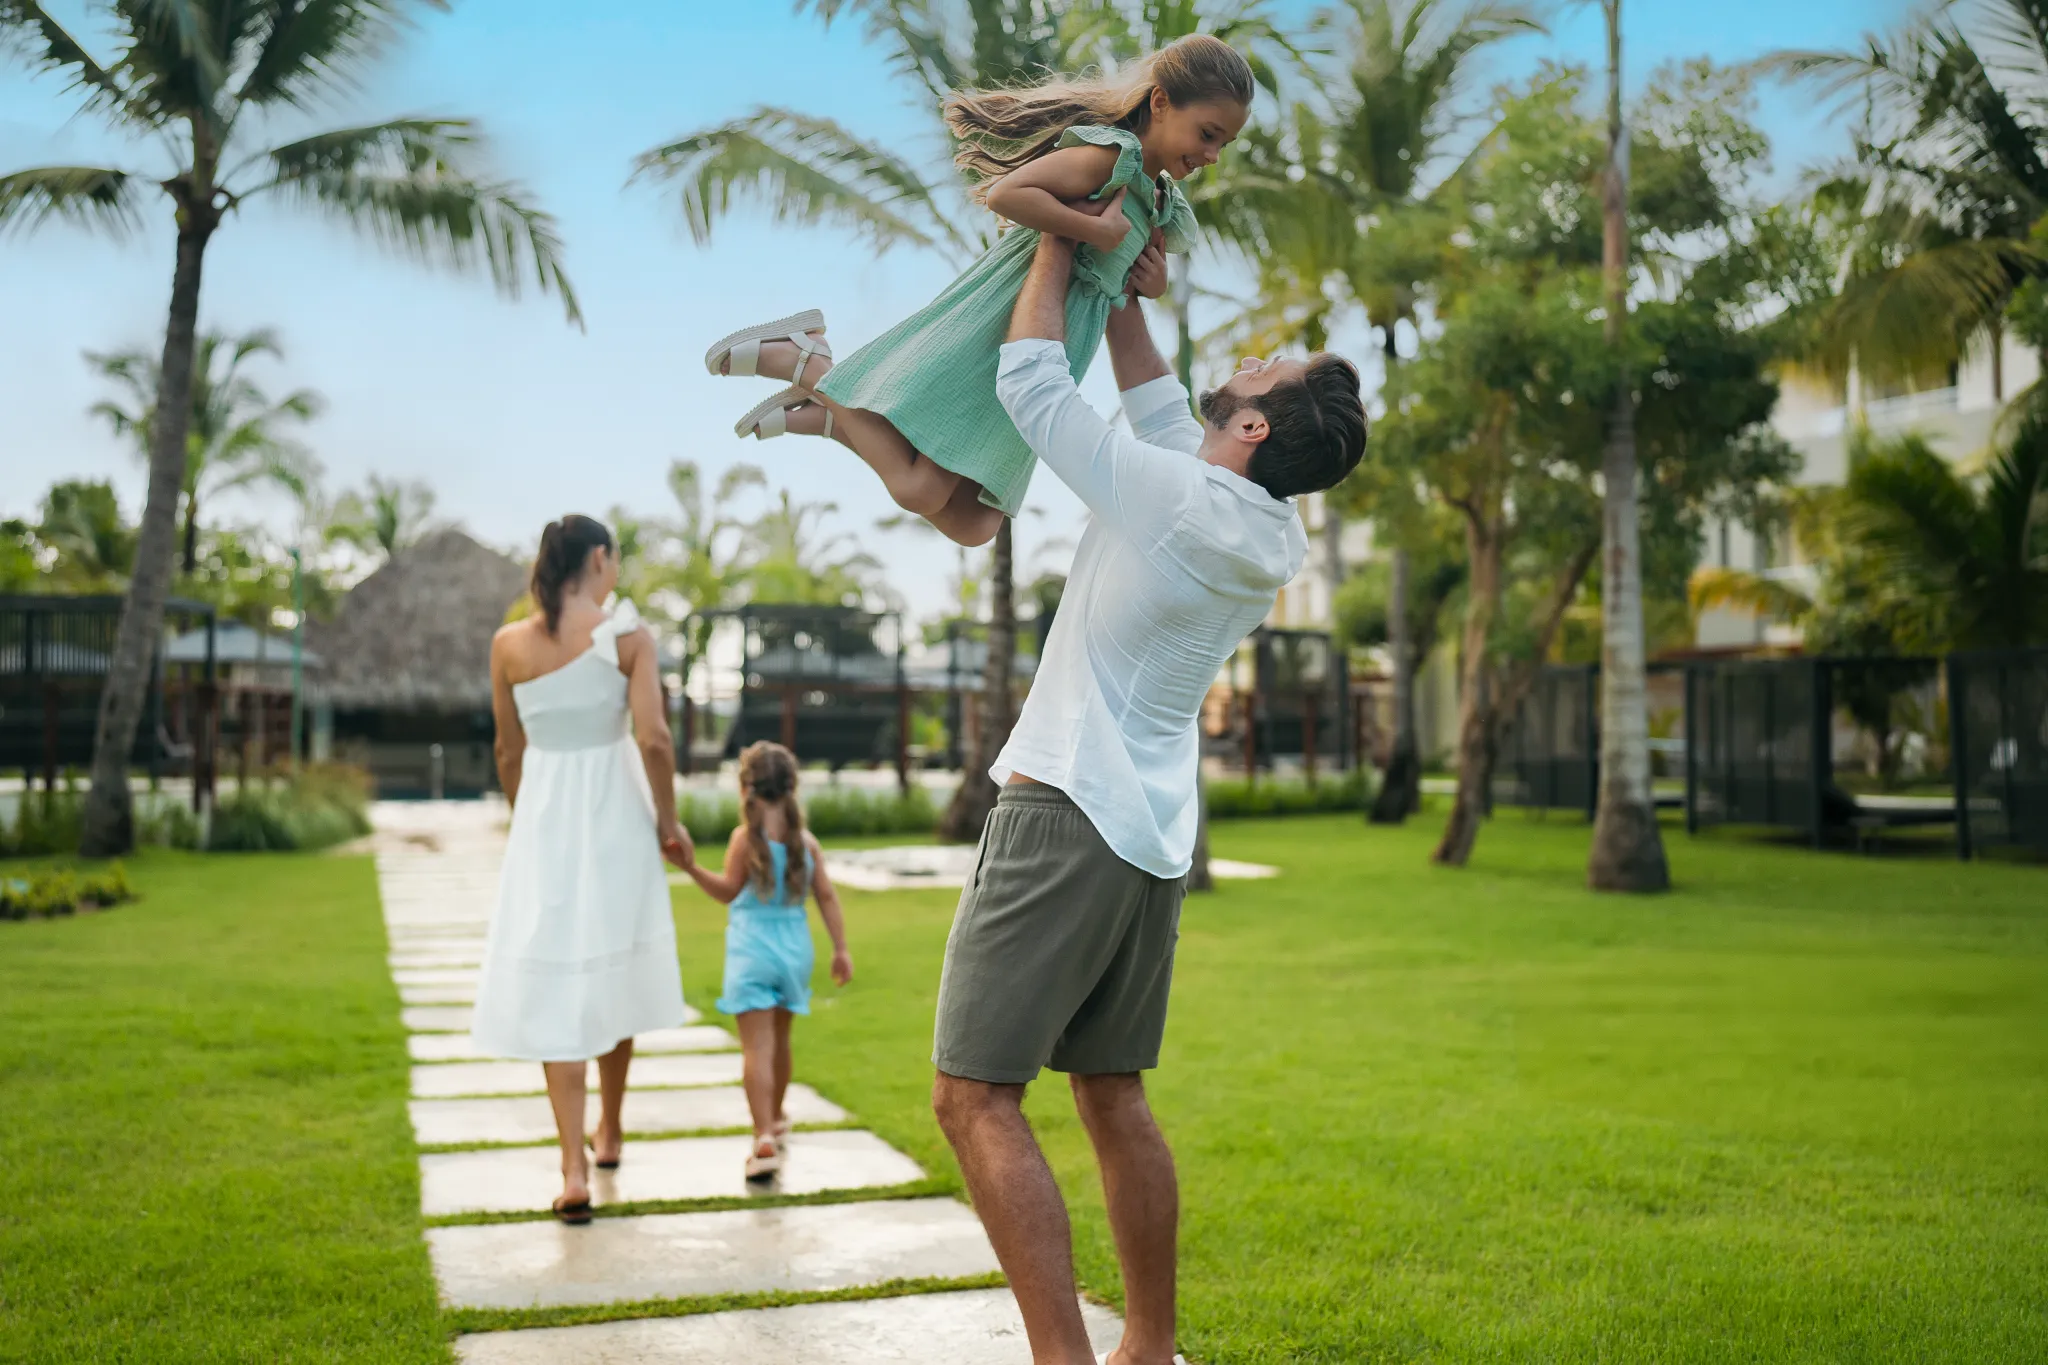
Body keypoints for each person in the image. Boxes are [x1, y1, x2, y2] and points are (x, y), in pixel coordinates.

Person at [928, 230, 1367, 1363]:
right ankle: (1148, 1351)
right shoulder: (1262, 521)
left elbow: (1027, 383)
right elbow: (1167, 415)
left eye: (1274, 364)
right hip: (1145, 839)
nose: (1262, 352)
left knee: (971, 1099)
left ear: (1256, 424)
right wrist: (1124, 301)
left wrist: (1055, 245)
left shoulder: (1177, 500)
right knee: (1111, 1095)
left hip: (1064, 806)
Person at [703, 33, 1254, 548]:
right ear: (1160, 102)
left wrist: (1151, 281)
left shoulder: (1158, 200)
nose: (1212, 154)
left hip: (1059, 349)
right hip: (1006, 326)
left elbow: (1124, 283)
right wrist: (1093, 229)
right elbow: (1009, 193)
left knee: (975, 525)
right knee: (919, 490)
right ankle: (812, 366)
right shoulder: (1111, 157)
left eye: (1223, 143)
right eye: (1208, 134)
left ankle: (835, 417)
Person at [473, 514, 695, 1225]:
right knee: (611, 965)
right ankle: (610, 1130)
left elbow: (507, 753)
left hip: (544, 817)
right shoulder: (630, 638)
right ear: (599, 558)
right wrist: (669, 821)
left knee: (556, 976)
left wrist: (528, 817)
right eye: (616, 557)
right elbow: (654, 738)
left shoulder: (508, 645)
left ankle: (572, 1164)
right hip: (616, 815)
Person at [677, 741, 852, 1179]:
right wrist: (841, 949)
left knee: (756, 1047)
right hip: (794, 950)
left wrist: (691, 867)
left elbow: (727, 892)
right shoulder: (805, 842)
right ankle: (775, 1117)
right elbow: (826, 896)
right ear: (791, 787)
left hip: (752, 949)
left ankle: (763, 1138)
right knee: (780, 1040)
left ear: (746, 788)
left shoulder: (745, 840)